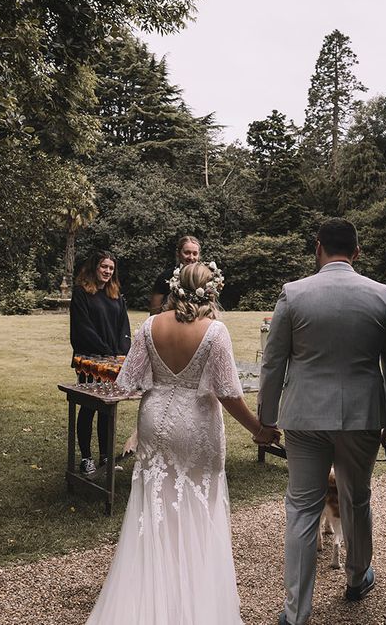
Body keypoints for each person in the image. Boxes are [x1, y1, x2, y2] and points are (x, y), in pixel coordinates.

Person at [85, 262, 278, 625]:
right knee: (198, 504)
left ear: (175, 288)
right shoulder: (215, 331)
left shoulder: (150, 324)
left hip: (155, 418)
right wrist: (258, 429)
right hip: (196, 424)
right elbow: (228, 393)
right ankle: (191, 598)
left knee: (153, 504)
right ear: (211, 291)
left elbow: (127, 383)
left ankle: (153, 593)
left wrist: (160, 382)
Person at [257, 218, 386, 625]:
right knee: (356, 498)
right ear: (357, 252)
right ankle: (357, 578)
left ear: (317, 247)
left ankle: (296, 613)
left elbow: (273, 363)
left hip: (304, 417)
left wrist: (265, 420)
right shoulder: (382, 296)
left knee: (302, 509)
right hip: (362, 418)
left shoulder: (293, 294)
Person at [70, 250, 131, 475]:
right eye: (104, 267)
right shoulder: (81, 293)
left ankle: (106, 455)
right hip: (90, 362)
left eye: (111, 268)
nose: (107, 271)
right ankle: (86, 458)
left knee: (108, 409)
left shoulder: (116, 295)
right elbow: (82, 328)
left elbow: (124, 327)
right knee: (88, 408)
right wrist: (104, 351)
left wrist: (123, 352)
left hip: (114, 362)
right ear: (94, 268)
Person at [149, 235, 201, 315]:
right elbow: (154, 312)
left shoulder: (205, 278)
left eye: (195, 254)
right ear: (178, 253)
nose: (191, 257)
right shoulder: (165, 277)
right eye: (187, 253)